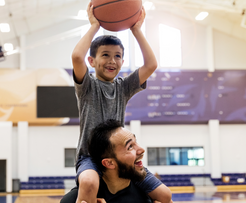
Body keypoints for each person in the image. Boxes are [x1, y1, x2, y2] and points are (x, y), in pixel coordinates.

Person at [71, 2, 172, 203]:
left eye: (117, 56)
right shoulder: (88, 87)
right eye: (105, 55)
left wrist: (136, 30)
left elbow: (151, 64)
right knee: (89, 183)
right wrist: (94, 26)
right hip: (90, 156)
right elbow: (76, 56)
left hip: (121, 156)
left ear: (122, 62)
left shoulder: (123, 87)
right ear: (92, 61)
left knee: (164, 195)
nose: (112, 60)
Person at [61, 119, 161, 203]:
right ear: (109, 163)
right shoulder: (73, 200)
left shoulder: (149, 195)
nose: (141, 149)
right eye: (130, 147)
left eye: (136, 142)